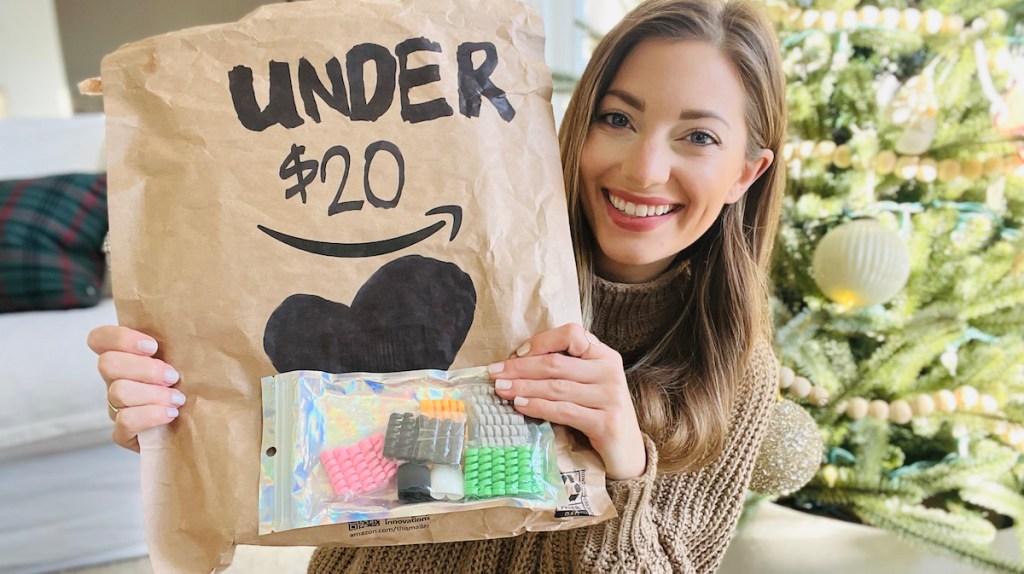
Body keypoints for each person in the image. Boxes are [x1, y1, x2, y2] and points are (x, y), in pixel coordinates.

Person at [88, 0, 786, 571]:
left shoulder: (734, 366)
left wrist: (623, 460)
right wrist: (184, 413)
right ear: (579, 123)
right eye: (618, 119)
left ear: (746, 174)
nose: (643, 168)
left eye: (697, 137)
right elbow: (352, 473)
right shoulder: (484, 281)